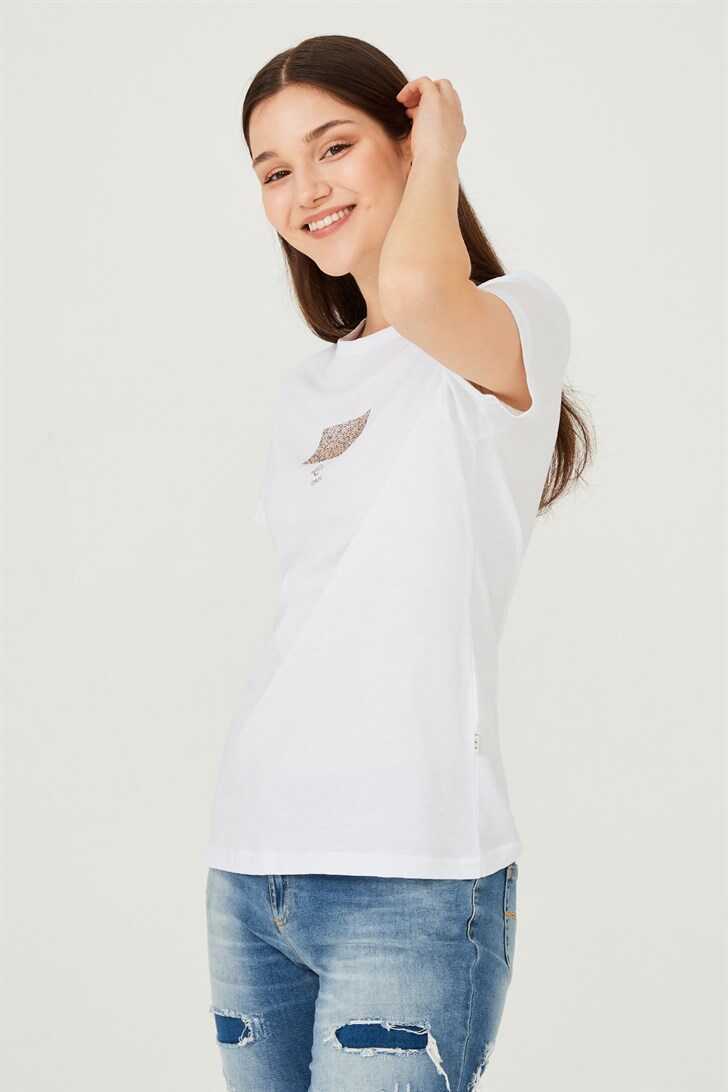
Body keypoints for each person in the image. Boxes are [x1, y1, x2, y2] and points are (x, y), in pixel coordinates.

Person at [205, 34, 593, 1092]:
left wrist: (443, 148)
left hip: (411, 874)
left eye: (334, 148)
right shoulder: (309, 389)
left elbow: (421, 288)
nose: (305, 191)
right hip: (254, 862)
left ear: (404, 142)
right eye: (274, 171)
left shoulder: (514, 318)